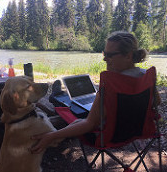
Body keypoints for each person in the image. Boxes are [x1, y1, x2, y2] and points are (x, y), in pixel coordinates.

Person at [30, 31, 161, 154]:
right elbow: (157, 102)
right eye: (104, 54)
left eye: (110, 55)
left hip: (108, 136)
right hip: (139, 131)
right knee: (78, 111)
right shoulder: (146, 77)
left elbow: (89, 124)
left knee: (76, 117)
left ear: (128, 56)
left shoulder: (110, 85)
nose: (105, 60)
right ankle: (56, 95)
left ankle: (56, 97)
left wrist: (52, 135)